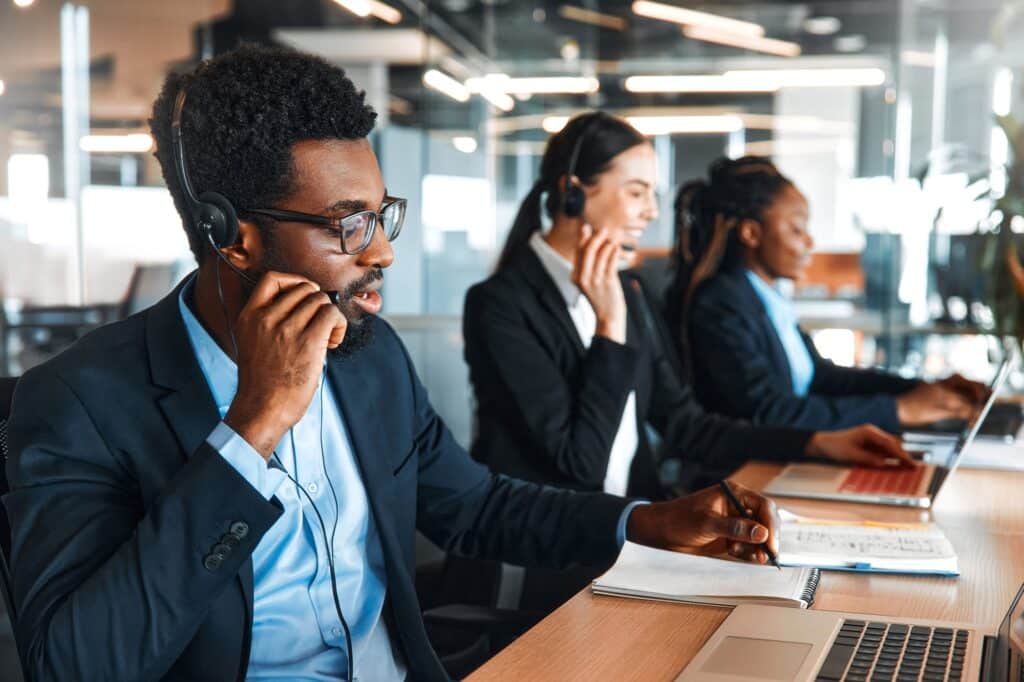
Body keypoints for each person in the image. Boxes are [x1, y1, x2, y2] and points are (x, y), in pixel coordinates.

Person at [4, 47, 792, 682]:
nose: (382, 250)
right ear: (232, 236)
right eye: (348, 225)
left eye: (381, 216)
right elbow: (76, 662)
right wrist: (251, 430)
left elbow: (478, 507)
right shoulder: (79, 403)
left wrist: (647, 521)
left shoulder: (367, 361)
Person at [464, 113, 913, 505]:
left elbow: (686, 424)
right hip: (545, 569)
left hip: (629, 534)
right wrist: (609, 327)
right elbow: (580, 463)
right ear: (573, 192)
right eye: (637, 193)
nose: (651, 211)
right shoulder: (500, 306)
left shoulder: (629, 290)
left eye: (653, 195)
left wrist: (818, 443)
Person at [668, 156, 988, 433]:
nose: (809, 243)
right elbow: (767, 412)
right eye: (796, 229)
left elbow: (820, 378)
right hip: (744, 472)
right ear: (751, 233)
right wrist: (897, 410)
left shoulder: (765, 298)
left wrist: (919, 390)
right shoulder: (719, 304)